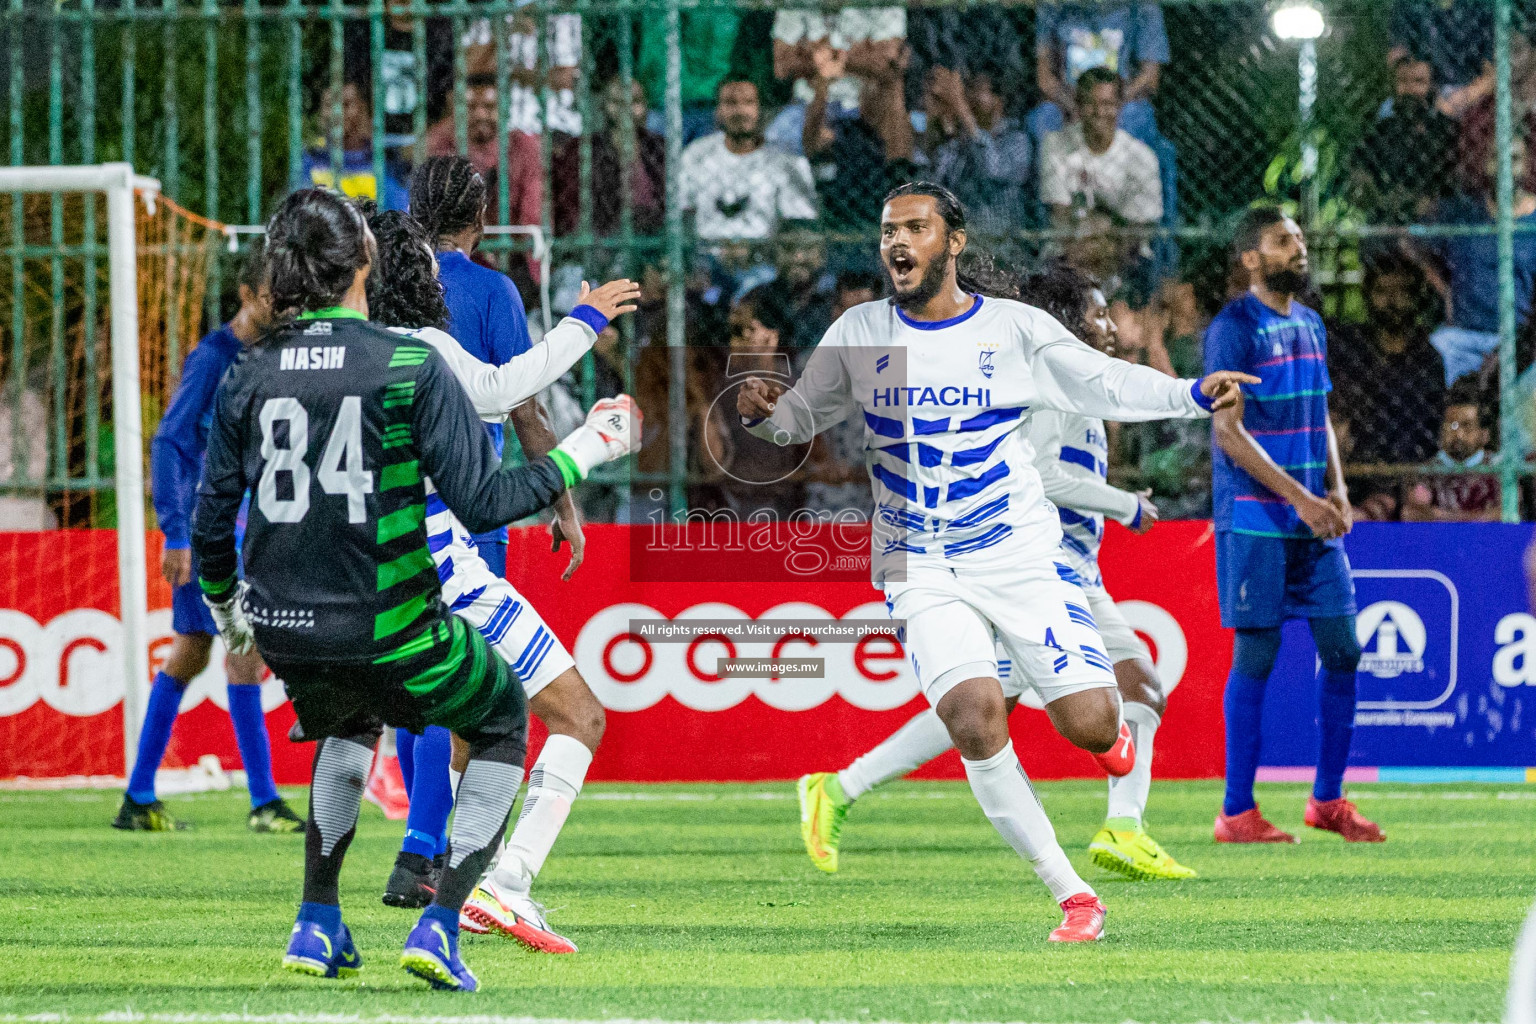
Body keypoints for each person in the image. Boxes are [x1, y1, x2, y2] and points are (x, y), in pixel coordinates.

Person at [736, 181, 1253, 941]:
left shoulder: (1014, 329)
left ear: (954, 241)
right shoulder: (860, 331)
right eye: (887, 232)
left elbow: (1104, 380)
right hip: (917, 559)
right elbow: (799, 423)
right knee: (975, 719)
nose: (898, 244)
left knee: (1090, 720)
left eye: (915, 228)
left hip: (1016, 553)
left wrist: (1190, 393)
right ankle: (1074, 895)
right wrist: (766, 414)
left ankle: (1111, 740)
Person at [191, 188, 638, 991]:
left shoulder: (251, 367)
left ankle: (318, 917)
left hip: (294, 614)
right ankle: (460, 909)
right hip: (412, 589)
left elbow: (212, 515)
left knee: (355, 718)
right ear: (363, 261)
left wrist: (235, 622)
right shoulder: (409, 357)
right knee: (516, 715)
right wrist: (585, 451)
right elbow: (487, 485)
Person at [795, 262, 1197, 883]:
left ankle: (840, 788)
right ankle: (1124, 827)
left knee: (997, 705)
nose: (1108, 325)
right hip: (1033, 568)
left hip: (1064, 567)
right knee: (1130, 689)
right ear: (1065, 320)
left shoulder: (1075, 384)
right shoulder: (1039, 383)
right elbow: (1043, 470)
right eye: (1094, 311)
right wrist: (1126, 504)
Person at [362, 206, 641, 952]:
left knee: (461, 727)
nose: (432, 272)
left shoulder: (336, 352)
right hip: (448, 574)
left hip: (366, 581)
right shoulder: (421, 348)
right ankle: (504, 884)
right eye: (419, 261)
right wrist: (584, 334)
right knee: (579, 717)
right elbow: (505, 388)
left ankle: (395, 882)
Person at [376, 155, 584, 909]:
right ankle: (454, 859)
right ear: (482, 217)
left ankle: (418, 844)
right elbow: (521, 402)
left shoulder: (371, 288)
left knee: (413, 685)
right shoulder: (490, 290)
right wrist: (560, 496)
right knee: (472, 685)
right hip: (471, 513)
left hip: (386, 522)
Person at [1205, 205, 1385, 846]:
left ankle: (1328, 800)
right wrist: (1303, 499)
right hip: (1256, 522)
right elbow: (1227, 432)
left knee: (1344, 648)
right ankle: (1235, 811)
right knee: (1256, 654)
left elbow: (1320, 415)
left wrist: (1335, 491)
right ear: (1251, 257)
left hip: (1312, 521)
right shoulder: (1232, 328)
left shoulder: (1310, 324)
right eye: (1284, 241)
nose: (1298, 248)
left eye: (1300, 239)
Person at [120, 242, 303, 834]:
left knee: (195, 649)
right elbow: (170, 441)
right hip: (212, 529)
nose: (284, 304)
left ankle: (139, 795)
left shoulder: (271, 355)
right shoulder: (214, 357)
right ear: (247, 295)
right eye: (274, 294)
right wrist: (177, 532)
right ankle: (263, 800)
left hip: (246, 526)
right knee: (241, 651)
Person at [1327, 253, 1446, 465]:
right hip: (1357, 460)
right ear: (1368, 294)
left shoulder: (1427, 359)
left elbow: (1432, 425)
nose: (1392, 301)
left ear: (1414, 297)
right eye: (1382, 291)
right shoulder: (1351, 350)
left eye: (1401, 291)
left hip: (1412, 463)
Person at [680, 79, 818, 243]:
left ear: (760, 109)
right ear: (718, 110)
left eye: (749, 102)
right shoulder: (696, 154)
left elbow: (798, 222)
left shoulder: (787, 161)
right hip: (706, 253)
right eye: (731, 103)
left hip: (764, 254)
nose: (740, 111)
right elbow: (682, 210)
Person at [1032, 1, 1168, 146]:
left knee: (1135, 115)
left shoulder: (1143, 7)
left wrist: (1107, 106)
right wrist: (1074, 106)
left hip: (1121, 101)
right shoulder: (1053, 5)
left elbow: (1149, 78)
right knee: (1045, 116)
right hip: (1067, 101)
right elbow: (1044, 78)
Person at [422, 77, 542, 232]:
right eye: (470, 107)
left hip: (510, 242)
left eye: (490, 107)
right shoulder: (441, 143)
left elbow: (532, 210)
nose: (480, 115)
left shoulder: (522, 146)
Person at [926, 66, 1032, 242]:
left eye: (980, 90)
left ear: (999, 100)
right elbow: (936, 181)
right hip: (963, 242)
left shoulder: (1017, 139)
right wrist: (944, 121)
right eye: (969, 90)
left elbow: (992, 169)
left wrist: (962, 110)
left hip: (1002, 244)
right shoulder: (962, 140)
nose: (970, 98)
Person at [554, 79, 666, 238]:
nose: (626, 109)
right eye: (617, 102)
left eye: (635, 101)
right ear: (603, 106)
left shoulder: (659, 147)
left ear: (646, 105)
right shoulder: (583, 148)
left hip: (653, 237)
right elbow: (571, 207)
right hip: (601, 239)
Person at [294, 83, 410, 210]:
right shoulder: (309, 159)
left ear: (363, 109)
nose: (337, 112)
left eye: (346, 104)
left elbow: (401, 214)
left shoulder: (384, 162)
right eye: (329, 105)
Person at [1399, 381, 1502, 522]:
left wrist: (1442, 516)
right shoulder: (1427, 471)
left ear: (1484, 435)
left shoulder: (1499, 468)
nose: (1458, 433)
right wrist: (1477, 518)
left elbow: (1505, 512)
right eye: (1452, 425)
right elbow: (1413, 512)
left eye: (1467, 426)